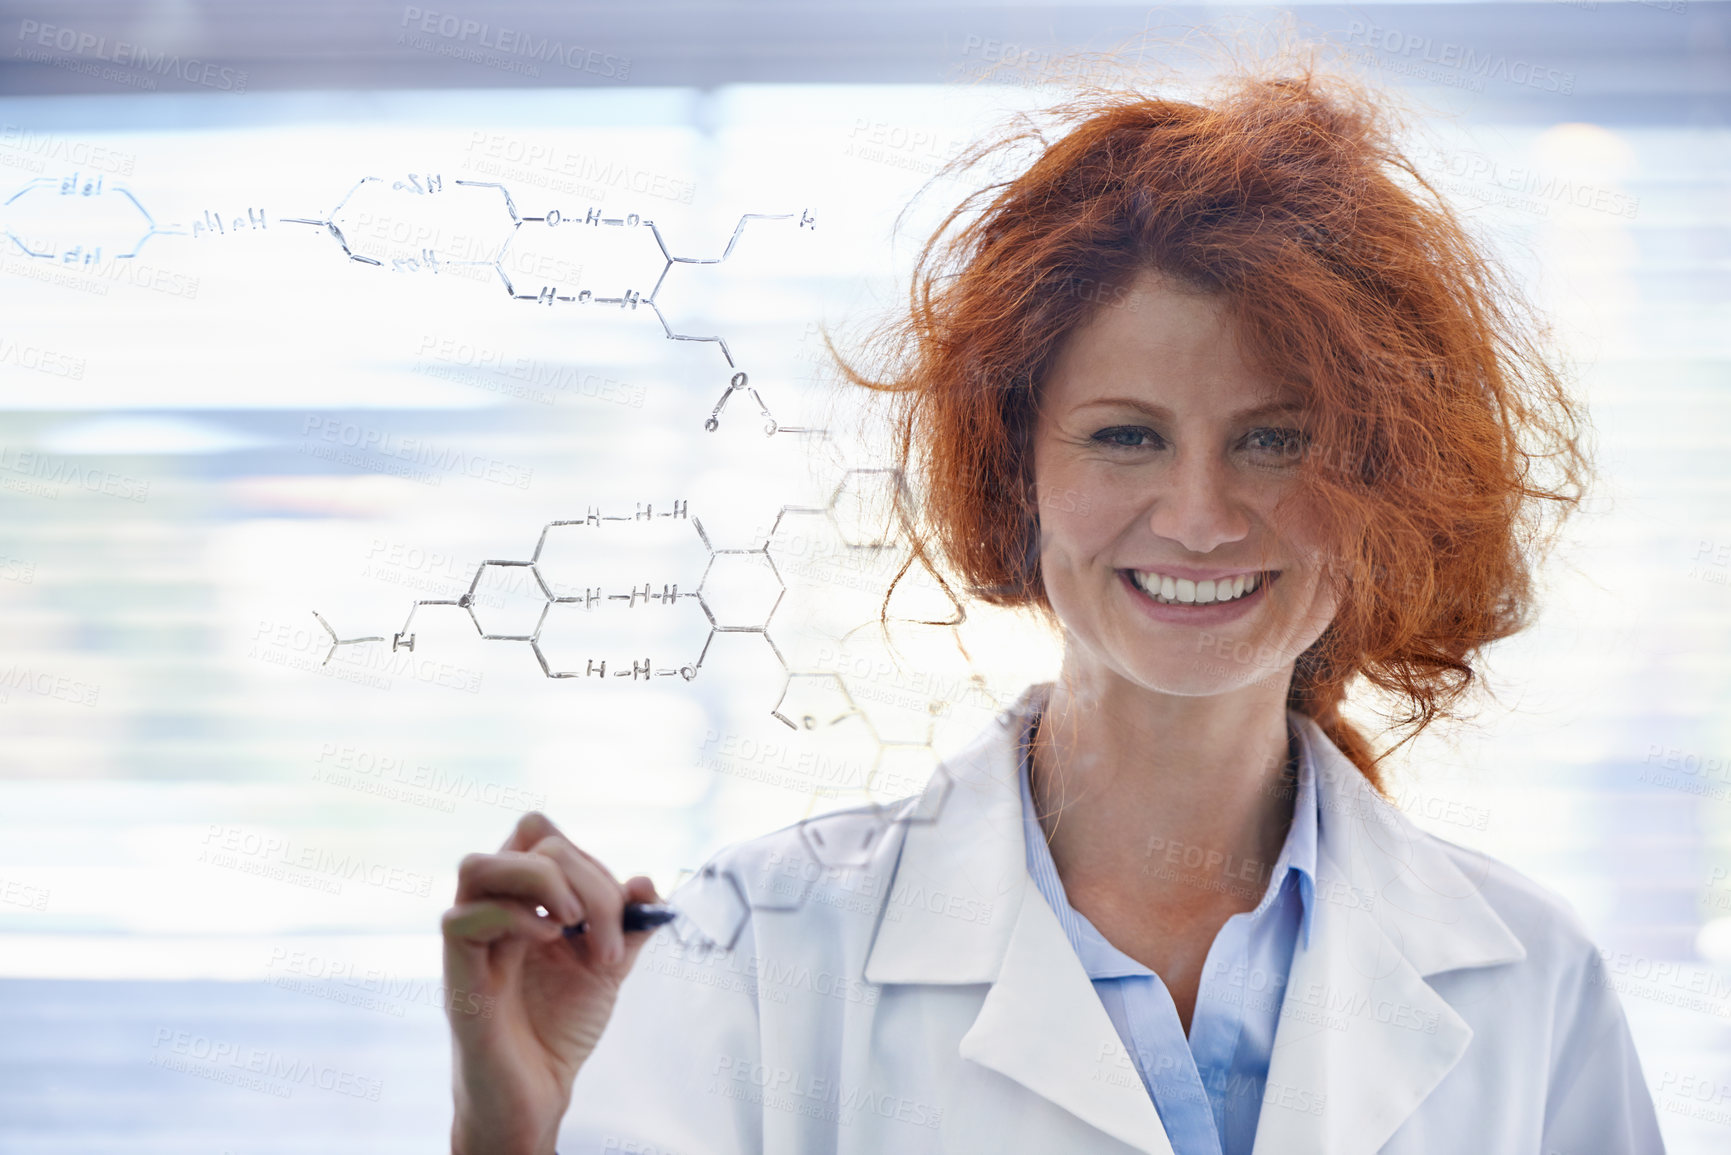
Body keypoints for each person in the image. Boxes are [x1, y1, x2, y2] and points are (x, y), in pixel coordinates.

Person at [439, 59, 1667, 1155]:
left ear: (1383, 484)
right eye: (1125, 437)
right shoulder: (764, 951)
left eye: (1275, 441)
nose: (1196, 515)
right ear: (1011, 468)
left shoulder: (1529, 983)